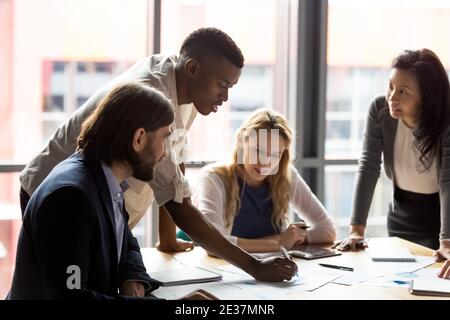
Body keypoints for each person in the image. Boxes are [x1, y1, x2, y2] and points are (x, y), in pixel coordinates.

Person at [18, 28, 298, 284]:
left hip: (106, 202)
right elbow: (179, 206)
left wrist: (167, 239)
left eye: (231, 88)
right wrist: (256, 268)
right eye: (222, 85)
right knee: (75, 290)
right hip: (61, 196)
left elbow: (174, 170)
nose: (225, 97)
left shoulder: (184, 84)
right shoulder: (154, 96)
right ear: (192, 68)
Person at [7, 82, 217, 299]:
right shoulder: (71, 198)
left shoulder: (104, 178)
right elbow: (70, 298)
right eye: (165, 137)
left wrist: (132, 278)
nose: (165, 153)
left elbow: (126, 240)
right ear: (139, 139)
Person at [335, 49, 450, 278]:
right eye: (390, 86)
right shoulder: (379, 110)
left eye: (403, 91)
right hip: (401, 214)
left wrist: (447, 241)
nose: (392, 97)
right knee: (399, 284)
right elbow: (368, 166)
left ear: (426, 96)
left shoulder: (446, 122)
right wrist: (357, 230)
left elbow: (448, 182)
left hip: (441, 220)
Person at [188, 109, 336, 253]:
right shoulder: (213, 178)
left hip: (271, 269)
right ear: (241, 142)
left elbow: (327, 230)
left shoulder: (286, 176)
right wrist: (278, 242)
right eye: (258, 151)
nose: (265, 162)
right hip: (222, 268)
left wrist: (298, 236)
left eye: (275, 155)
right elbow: (213, 243)